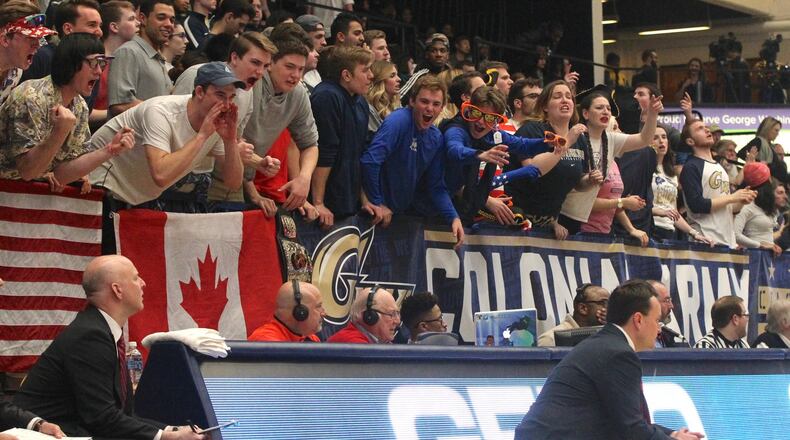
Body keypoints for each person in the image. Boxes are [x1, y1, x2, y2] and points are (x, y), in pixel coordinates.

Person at [12, 256, 206, 439]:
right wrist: (165, 437)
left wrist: (170, 429)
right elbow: (101, 417)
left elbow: (123, 415)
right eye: (136, 277)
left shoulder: (100, 330)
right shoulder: (89, 335)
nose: (143, 283)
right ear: (117, 290)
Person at [516, 279, 704, 440]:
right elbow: (631, 429)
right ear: (638, 320)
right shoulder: (618, 354)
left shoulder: (608, 343)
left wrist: (672, 435)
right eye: (656, 321)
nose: (659, 329)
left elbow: (624, 421)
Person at [89, 62, 246, 210]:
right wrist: (202, 136)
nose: (226, 105)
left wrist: (230, 140)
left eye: (231, 97)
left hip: (138, 195)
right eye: (220, 95)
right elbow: (161, 174)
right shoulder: (160, 112)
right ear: (199, 92)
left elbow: (233, 183)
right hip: (100, 183)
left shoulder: (217, 123)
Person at [0, 34, 134, 186]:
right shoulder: (31, 96)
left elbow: (61, 175)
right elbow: (28, 171)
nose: (99, 72)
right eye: (94, 63)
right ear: (71, 63)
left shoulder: (80, 106)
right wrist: (60, 131)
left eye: (102, 64)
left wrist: (109, 150)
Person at [360, 76, 464, 246]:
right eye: (424, 102)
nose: (429, 108)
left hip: (398, 215)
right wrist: (377, 202)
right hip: (372, 214)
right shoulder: (399, 120)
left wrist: (453, 216)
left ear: (442, 108)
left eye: (436, 104)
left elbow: (436, 185)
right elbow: (370, 161)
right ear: (412, 101)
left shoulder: (435, 137)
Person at [441, 86, 563, 226]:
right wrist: (481, 155)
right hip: (440, 207)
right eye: (476, 113)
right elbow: (454, 150)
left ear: (497, 122)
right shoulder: (456, 129)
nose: (480, 122)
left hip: (463, 209)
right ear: (468, 109)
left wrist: (547, 142)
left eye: (490, 118)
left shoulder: (493, 134)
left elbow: (522, 145)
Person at [560, 87, 662, 237]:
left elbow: (644, 139)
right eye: (599, 108)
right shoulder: (575, 136)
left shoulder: (611, 139)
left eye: (608, 108)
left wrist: (652, 114)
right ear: (586, 113)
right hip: (567, 216)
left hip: (592, 223)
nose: (606, 111)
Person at [504, 80, 589, 239]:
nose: (564, 100)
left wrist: (590, 180)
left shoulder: (580, 139)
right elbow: (533, 171)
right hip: (516, 218)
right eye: (557, 96)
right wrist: (567, 142)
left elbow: (577, 183)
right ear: (544, 106)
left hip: (547, 221)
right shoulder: (531, 130)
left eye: (568, 97)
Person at [311, 45, 372, 228]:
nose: (371, 76)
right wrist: (318, 202)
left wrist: (364, 200)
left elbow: (361, 152)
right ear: (346, 75)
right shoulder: (326, 96)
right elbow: (324, 151)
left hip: (348, 199)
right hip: (327, 203)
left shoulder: (360, 100)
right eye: (365, 70)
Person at [680, 120, 756, 248]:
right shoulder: (690, 167)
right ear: (690, 141)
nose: (707, 130)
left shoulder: (719, 166)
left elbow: (728, 208)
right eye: (700, 129)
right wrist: (733, 197)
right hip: (705, 240)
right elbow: (697, 205)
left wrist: (741, 201)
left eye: (706, 127)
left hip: (727, 241)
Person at [107, 0, 175, 117]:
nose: (169, 24)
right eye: (161, 17)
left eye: (172, 20)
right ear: (143, 19)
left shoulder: (157, 58)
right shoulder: (128, 52)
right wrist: (164, 113)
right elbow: (120, 104)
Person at [651, 125, 713, 244]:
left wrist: (694, 233)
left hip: (670, 231)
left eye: (664, 137)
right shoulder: (645, 169)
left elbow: (673, 212)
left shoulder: (672, 174)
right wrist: (660, 212)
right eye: (655, 138)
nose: (661, 141)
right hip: (651, 229)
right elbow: (638, 205)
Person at [21, 0, 103, 83]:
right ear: (68, 29)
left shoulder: (95, 66)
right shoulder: (41, 58)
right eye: (92, 25)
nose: (100, 32)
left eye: (100, 26)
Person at [0, 1, 55, 105]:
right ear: (5, 40)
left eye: (39, 38)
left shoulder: (16, 72)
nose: (38, 45)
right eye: (30, 38)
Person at [248, 281, 326, 342]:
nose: (324, 313)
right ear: (300, 312)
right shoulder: (267, 342)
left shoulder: (311, 339)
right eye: (318, 306)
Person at [537, 283, 608, 347]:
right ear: (582, 308)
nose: (609, 309)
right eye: (603, 303)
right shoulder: (549, 340)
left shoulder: (606, 336)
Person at [734, 162, 782, 255]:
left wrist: (773, 246)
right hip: (753, 257)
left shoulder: (768, 206)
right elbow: (735, 234)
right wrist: (759, 245)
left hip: (768, 257)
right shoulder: (746, 205)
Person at [327, 286, 401, 344]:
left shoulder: (378, 343)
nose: (397, 321)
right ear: (370, 316)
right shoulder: (354, 344)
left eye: (397, 314)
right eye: (391, 314)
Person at [399, 33, 451, 102]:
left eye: (442, 51)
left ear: (447, 55)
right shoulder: (420, 76)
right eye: (433, 51)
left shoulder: (453, 75)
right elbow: (399, 98)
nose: (438, 54)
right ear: (427, 54)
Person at [364, 60, 400, 136]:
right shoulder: (368, 109)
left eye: (397, 75)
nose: (399, 79)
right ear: (380, 80)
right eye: (392, 76)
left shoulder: (397, 105)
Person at [650, 280, 689, 347]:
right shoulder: (640, 340)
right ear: (653, 302)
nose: (671, 306)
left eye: (670, 300)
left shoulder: (667, 337)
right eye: (667, 300)